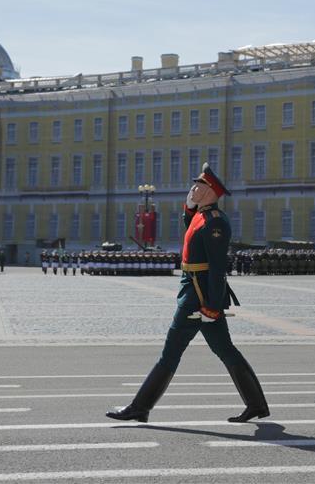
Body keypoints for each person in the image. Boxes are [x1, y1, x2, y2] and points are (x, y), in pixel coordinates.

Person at [106, 163, 268, 424]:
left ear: (209, 192)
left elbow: (217, 269)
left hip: (198, 297)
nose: (193, 188)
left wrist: (212, 306)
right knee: (226, 350)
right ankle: (257, 404)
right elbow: (189, 225)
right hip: (193, 290)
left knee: (170, 352)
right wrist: (189, 204)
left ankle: (140, 407)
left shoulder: (216, 223)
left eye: (199, 186)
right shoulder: (202, 217)